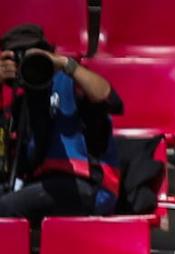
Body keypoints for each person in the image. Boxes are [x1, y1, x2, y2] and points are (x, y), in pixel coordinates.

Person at [0, 24, 123, 220]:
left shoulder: (72, 83)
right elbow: (7, 161)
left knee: (5, 208)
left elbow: (108, 97)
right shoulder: (20, 101)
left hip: (86, 185)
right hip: (39, 186)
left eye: (32, 55)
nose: (27, 63)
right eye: (18, 58)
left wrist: (66, 64)